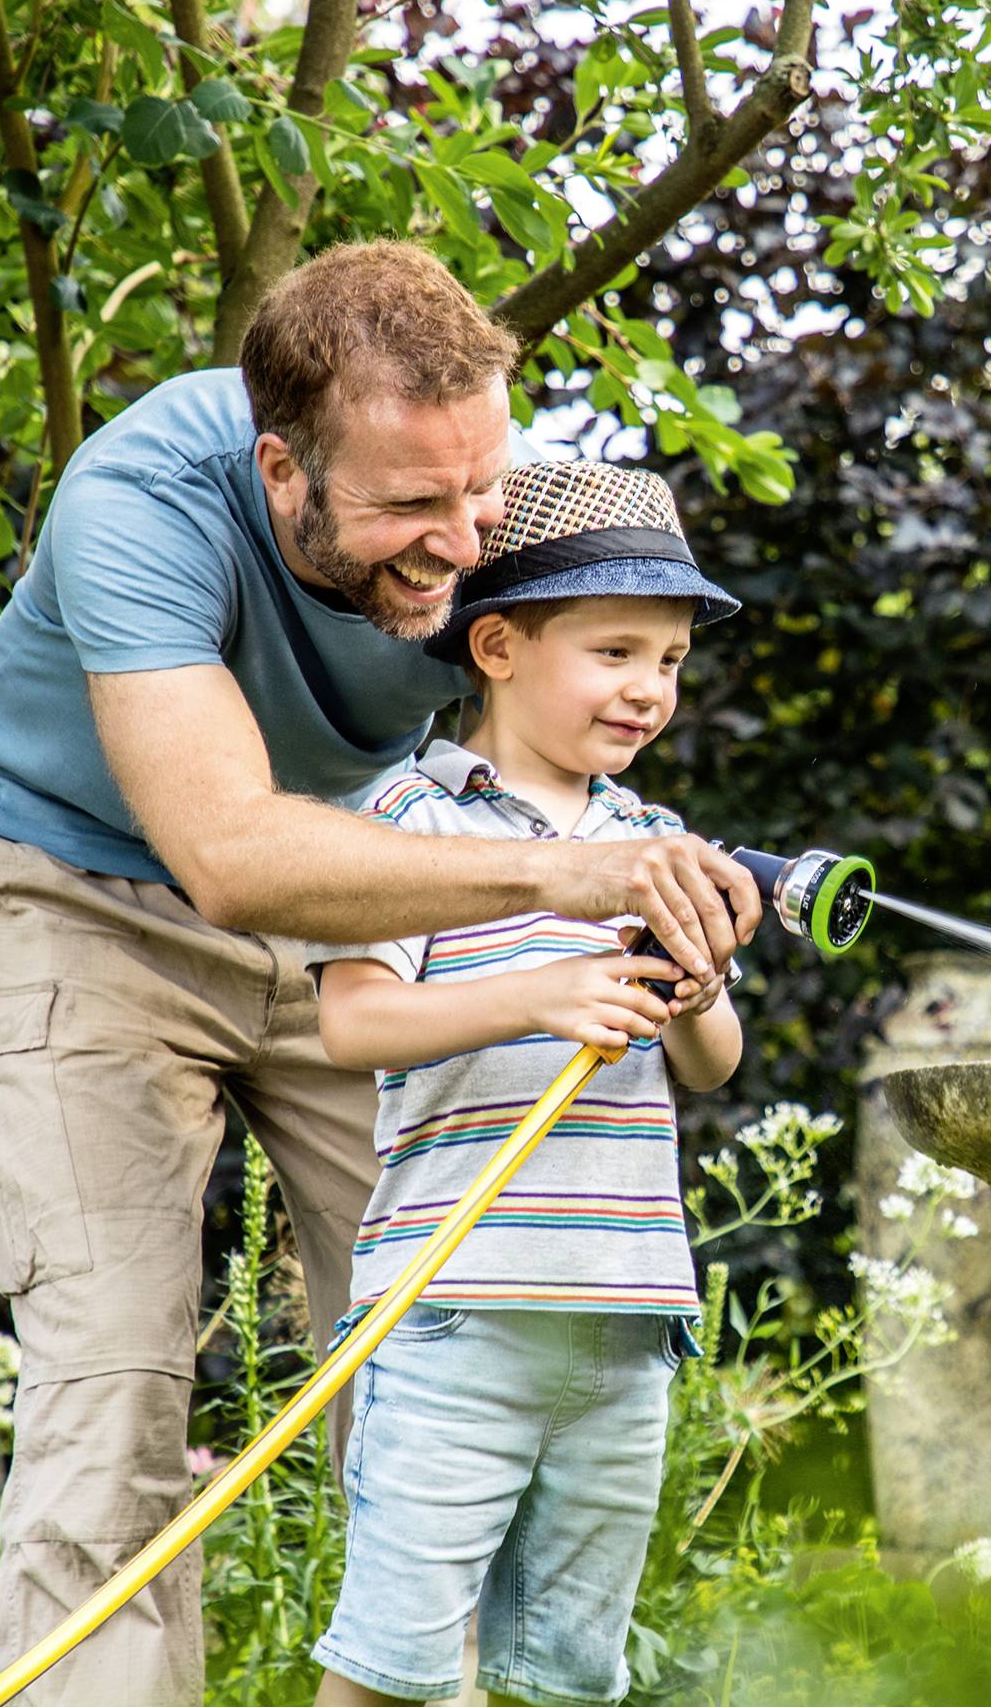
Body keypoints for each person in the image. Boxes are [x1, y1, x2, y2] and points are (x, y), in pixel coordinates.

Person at [0, 241, 760, 1705]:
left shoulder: (488, 497)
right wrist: (565, 880)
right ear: (283, 471)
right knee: (114, 1382)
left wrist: (657, 878)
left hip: (377, 894)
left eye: (483, 489)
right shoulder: (142, 504)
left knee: (441, 1363)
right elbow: (237, 859)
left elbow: (587, 704)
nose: (464, 543)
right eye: (411, 509)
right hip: (85, 896)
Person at [302, 460, 745, 1707]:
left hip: (624, 1317)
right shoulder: (402, 824)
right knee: (392, 1669)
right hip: (457, 1317)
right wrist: (540, 995)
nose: (647, 690)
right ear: (495, 645)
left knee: (562, 1681)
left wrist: (700, 992)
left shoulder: (652, 842)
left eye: (666, 661)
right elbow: (356, 1025)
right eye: (614, 652)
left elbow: (714, 1066)